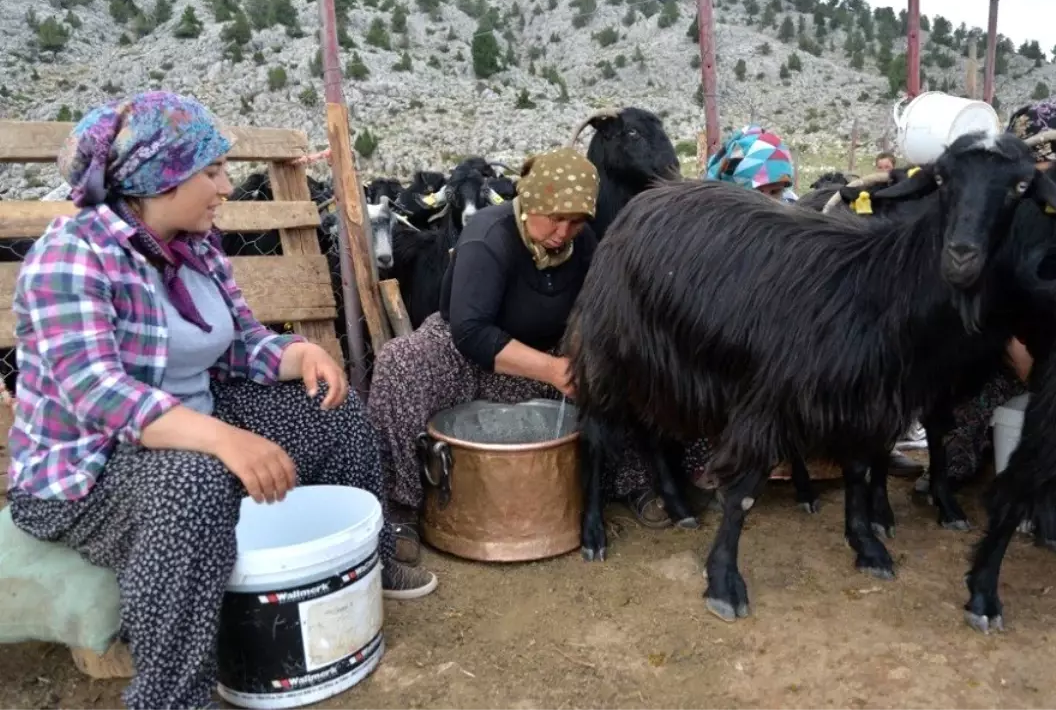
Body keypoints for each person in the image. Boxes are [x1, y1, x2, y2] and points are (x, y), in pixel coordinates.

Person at [4, 92, 431, 710]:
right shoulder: (72, 256)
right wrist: (223, 440)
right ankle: (172, 696)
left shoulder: (195, 246)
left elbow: (236, 346)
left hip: (197, 426)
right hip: (86, 473)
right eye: (211, 172)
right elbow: (100, 395)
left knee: (328, 409)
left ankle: (367, 559)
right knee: (194, 480)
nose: (227, 186)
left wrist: (296, 355)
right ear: (160, 179)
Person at [369, 147, 711, 538]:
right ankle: (400, 509)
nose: (563, 233)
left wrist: (590, 357)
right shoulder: (487, 237)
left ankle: (637, 481)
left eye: (577, 222)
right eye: (555, 219)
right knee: (400, 361)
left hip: (549, 355)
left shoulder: (582, 246)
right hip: (464, 360)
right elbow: (471, 332)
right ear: (531, 203)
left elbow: (599, 308)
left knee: (635, 363)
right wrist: (553, 370)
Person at [704, 126, 924, 478]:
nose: (777, 201)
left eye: (780, 190)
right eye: (766, 192)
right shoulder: (715, 237)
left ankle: (862, 447)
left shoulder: (794, 221)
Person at [915, 100, 1056, 494]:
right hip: (1008, 348)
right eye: (1046, 162)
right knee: (966, 404)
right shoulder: (996, 213)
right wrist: (1019, 353)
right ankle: (955, 465)